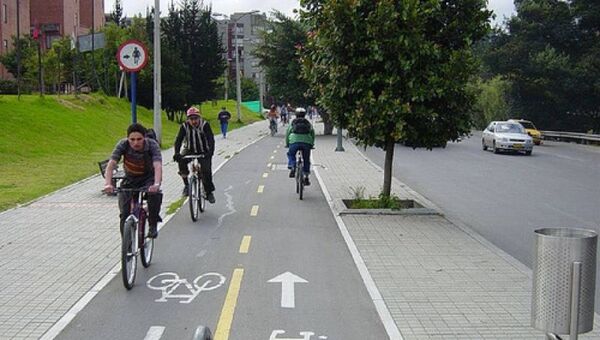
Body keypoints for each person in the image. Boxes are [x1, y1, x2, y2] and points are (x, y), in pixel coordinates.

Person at [103, 123, 163, 238]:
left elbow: (158, 166)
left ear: (145, 138)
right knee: (124, 214)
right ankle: (127, 247)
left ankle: (152, 225)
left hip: (148, 178)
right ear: (128, 139)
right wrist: (108, 184)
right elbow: (111, 165)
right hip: (130, 178)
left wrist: (156, 184)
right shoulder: (123, 144)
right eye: (132, 139)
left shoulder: (152, 145)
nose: (135, 143)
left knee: (154, 196)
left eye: (139, 139)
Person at [173, 106, 216, 203]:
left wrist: (210, 152)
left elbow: (210, 139)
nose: (194, 121)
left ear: (199, 118)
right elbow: (178, 140)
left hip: (204, 150)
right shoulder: (184, 126)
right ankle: (186, 185)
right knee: (181, 161)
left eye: (196, 118)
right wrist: (176, 153)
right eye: (191, 119)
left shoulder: (205, 125)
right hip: (189, 149)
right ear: (188, 119)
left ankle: (209, 192)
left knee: (206, 170)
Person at [286, 107, 315, 186]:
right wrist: (312, 144)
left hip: (294, 142)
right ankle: (306, 177)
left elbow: (288, 133)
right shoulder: (308, 123)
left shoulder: (293, 123)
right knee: (306, 159)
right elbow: (312, 133)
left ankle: (292, 165)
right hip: (306, 142)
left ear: (296, 114)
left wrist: (287, 144)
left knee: (291, 154)